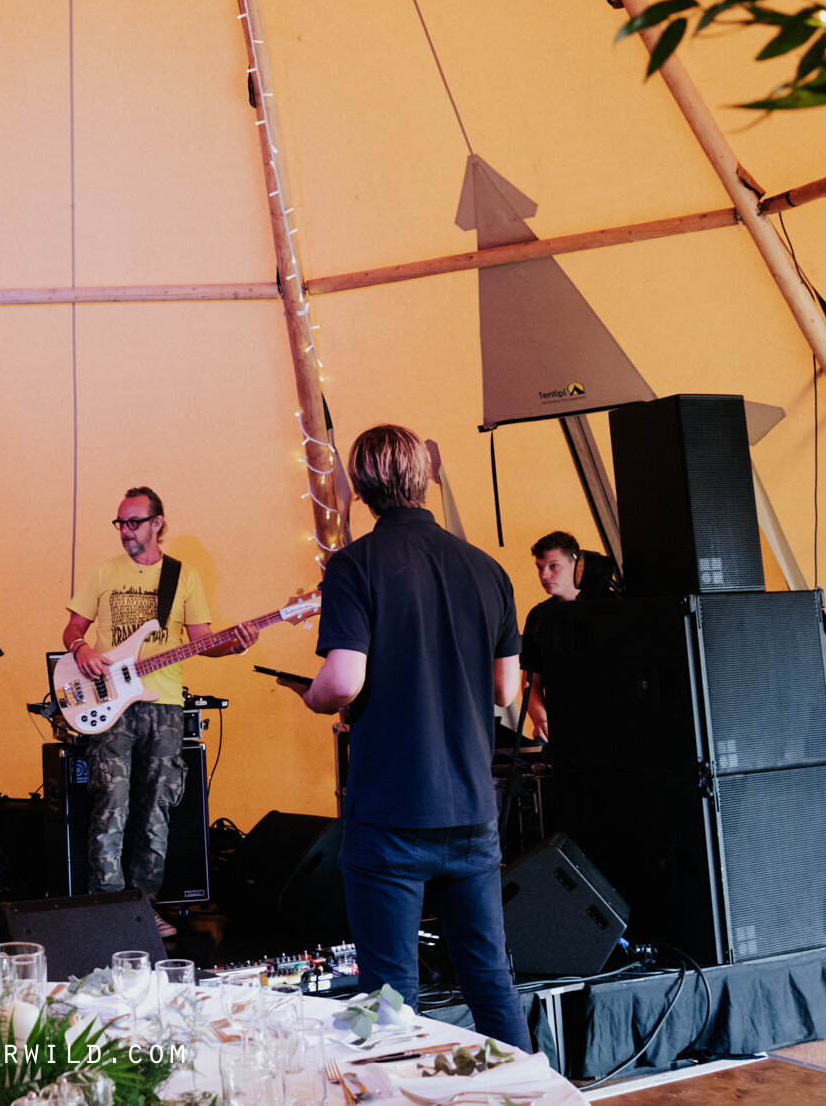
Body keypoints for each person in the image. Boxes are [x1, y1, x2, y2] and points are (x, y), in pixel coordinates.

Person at [298, 427, 523, 1045]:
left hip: (392, 818)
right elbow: (506, 692)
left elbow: (343, 681)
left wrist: (313, 696)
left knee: (387, 995)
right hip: (474, 812)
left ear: (364, 489)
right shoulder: (488, 568)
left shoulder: (353, 565)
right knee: (489, 982)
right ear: (424, 477)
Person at [62, 488, 258, 899]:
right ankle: (108, 905)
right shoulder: (103, 572)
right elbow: (72, 629)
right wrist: (81, 649)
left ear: (158, 524)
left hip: (164, 706)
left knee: (156, 812)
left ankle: (142, 906)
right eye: (121, 523)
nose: (125, 531)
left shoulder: (183, 577)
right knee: (110, 807)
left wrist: (236, 644)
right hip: (108, 703)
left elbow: (203, 640)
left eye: (134, 522)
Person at [520, 531, 584, 744]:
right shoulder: (538, 616)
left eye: (553, 566)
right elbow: (531, 682)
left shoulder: (610, 605)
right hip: (563, 726)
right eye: (539, 567)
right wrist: (541, 720)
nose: (544, 575)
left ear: (576, 564)